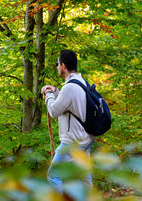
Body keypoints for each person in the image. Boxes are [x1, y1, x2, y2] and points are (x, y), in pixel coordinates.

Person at [41, 49, 94, 193]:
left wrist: (49, 94)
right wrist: (56, 91)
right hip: (85, 138)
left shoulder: (70, 87)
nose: (57, 66)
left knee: (53, 176)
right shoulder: (81, 82)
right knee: (84, 177)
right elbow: (70, 105)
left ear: (63, 66)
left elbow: (54, 111)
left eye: (58, 63)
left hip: (72, 142)